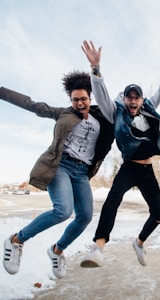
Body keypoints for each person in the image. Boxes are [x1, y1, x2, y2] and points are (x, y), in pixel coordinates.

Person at [1, 71, 114, 278]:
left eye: (83, 99)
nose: (79, 103)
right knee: (63, 210)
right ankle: (16, 241)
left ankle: (57, 250)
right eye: (75, 100)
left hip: (81, 172)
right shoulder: (64, 113)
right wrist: (1, 91)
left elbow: (119, 111)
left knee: (85, 216)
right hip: (60, 166)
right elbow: (32, 104)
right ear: (70, 100)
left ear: (91, 97)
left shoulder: (103, 118)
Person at [80, 40, 160, 267]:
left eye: (136, 97)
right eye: (129, 97)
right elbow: (102, 96)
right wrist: (95, 70)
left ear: (141, 100)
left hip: (147, 168)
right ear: (125, 99)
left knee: (158, 214)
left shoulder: (148, 109)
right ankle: (98, 248)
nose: (133, 101)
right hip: (129, 167)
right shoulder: (116, 113)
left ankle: (139, 243)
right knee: (112, 202)